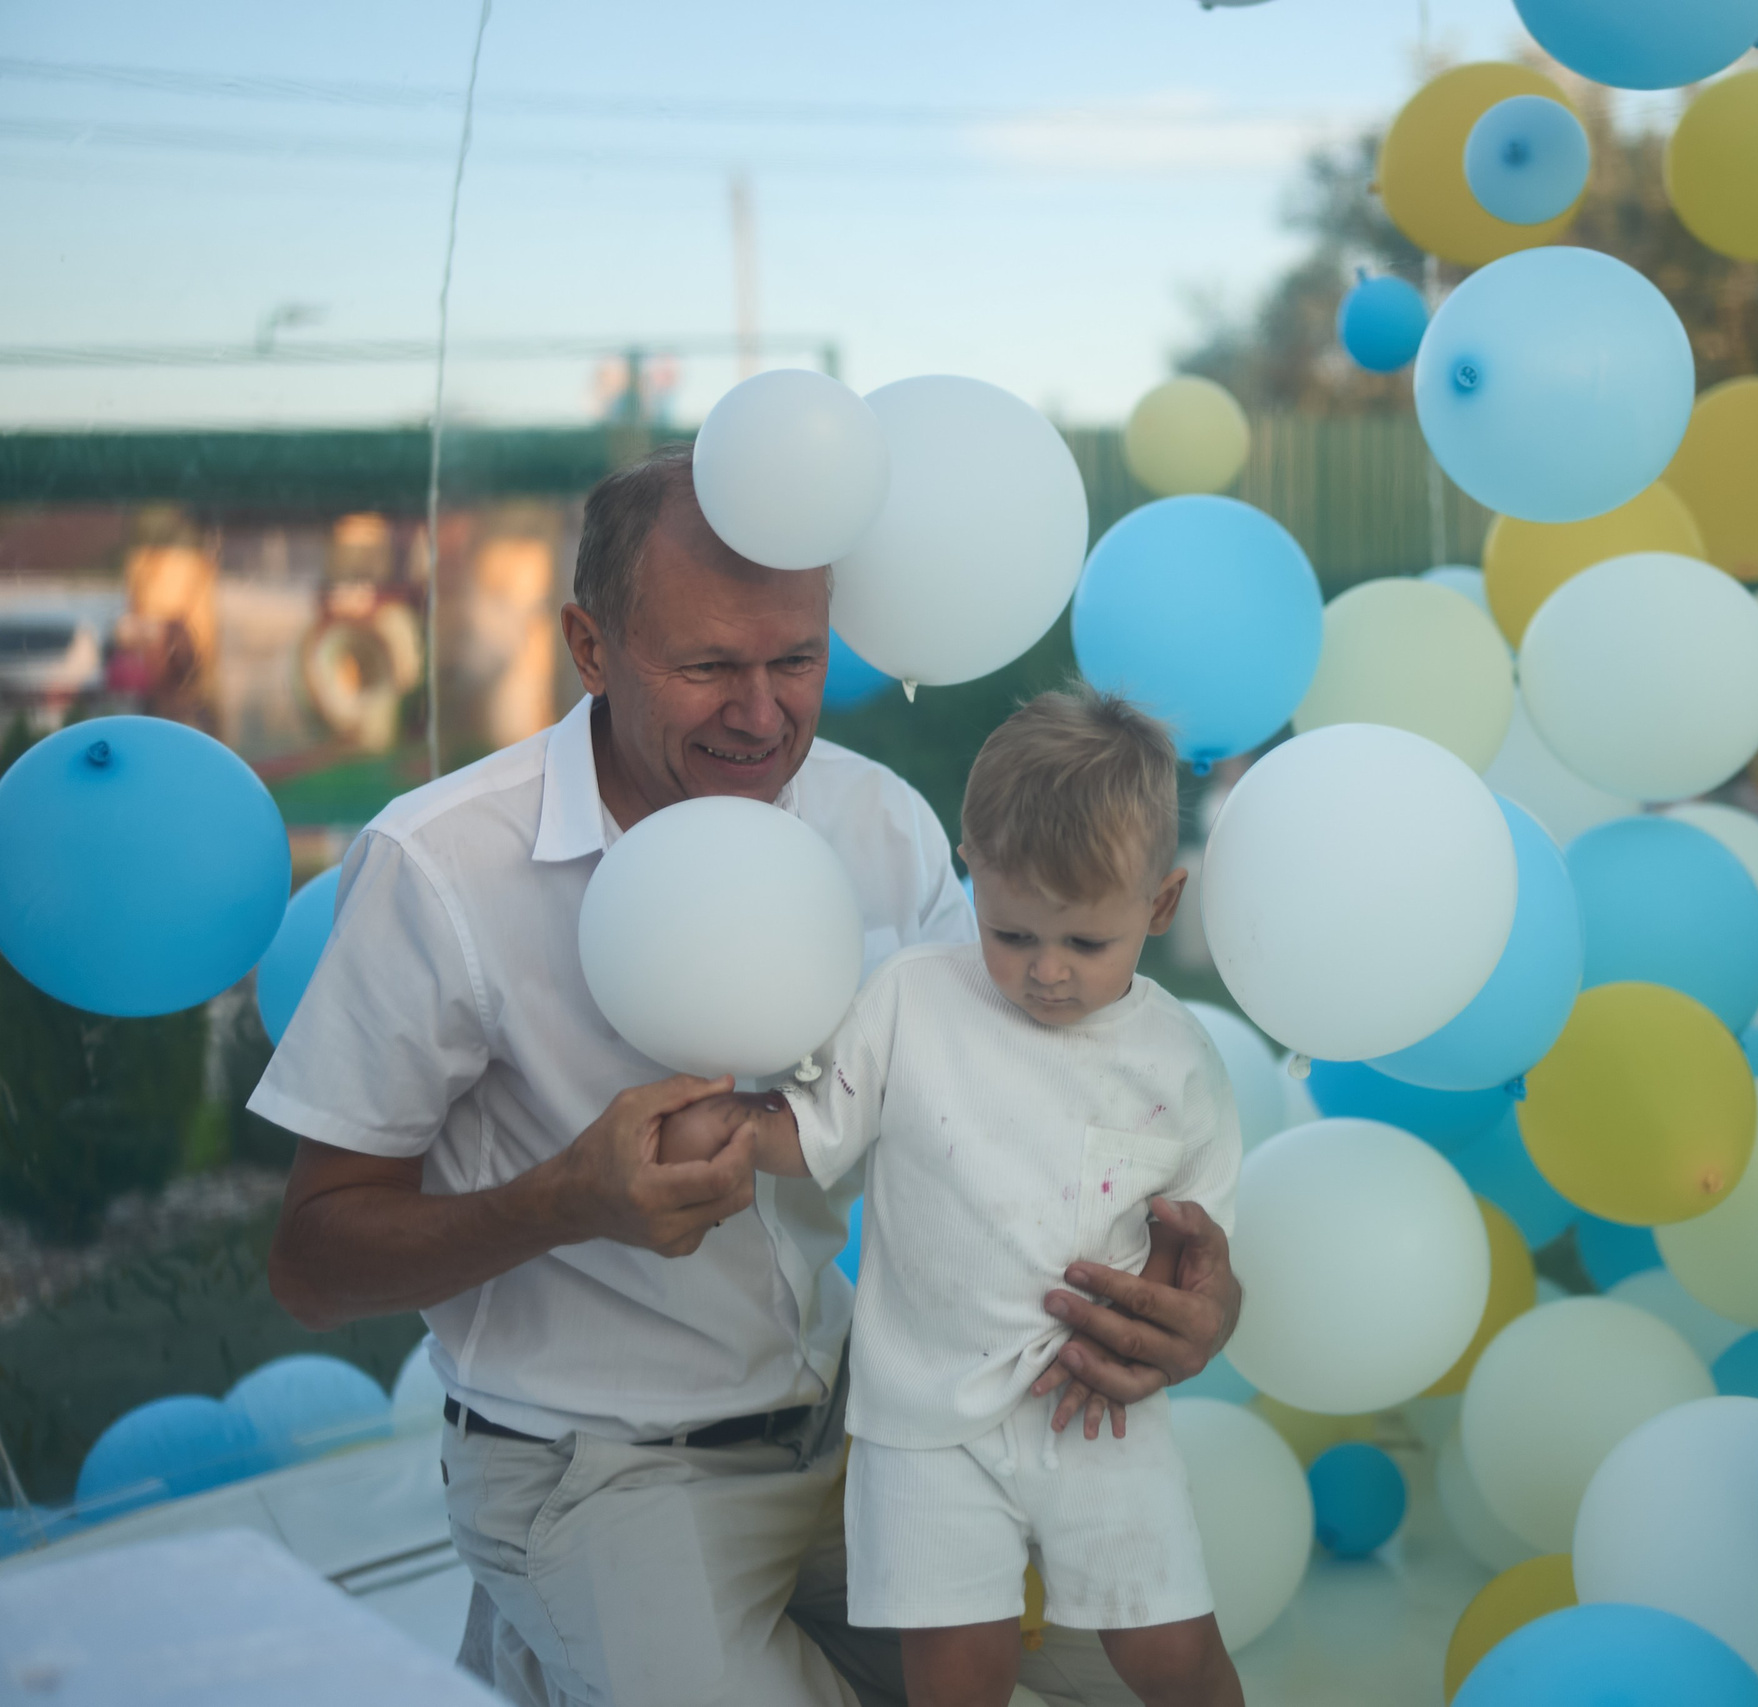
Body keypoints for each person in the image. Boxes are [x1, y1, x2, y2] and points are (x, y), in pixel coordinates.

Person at [254, 445, 1242, 1707]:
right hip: (596, 1470)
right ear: (590, 645)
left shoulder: (874, 822)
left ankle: (553, 1661)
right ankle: (560, 1630)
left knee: (1145, 1680)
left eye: (796, 662)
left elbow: (1037, 1097)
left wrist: (1193, 1305)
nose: (763, 713)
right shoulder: (441, 867)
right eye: (708, 665)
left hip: (873, 1433)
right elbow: (309, 1265)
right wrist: (565, 1201)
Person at [664, 688, 1245, 1707]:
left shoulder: (1177, 1062)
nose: (1047, 973)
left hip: (1089, 1409)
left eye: (1086, 945)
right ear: (973, 873)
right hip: (923, 1420)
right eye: (1013, 935)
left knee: (1167, 1646)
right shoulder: (910, 1001)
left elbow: (1195, 1232)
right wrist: (739, 1128)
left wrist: (1145, 1315)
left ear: (1159, 904)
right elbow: (815, 1132)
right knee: (955, 1673)